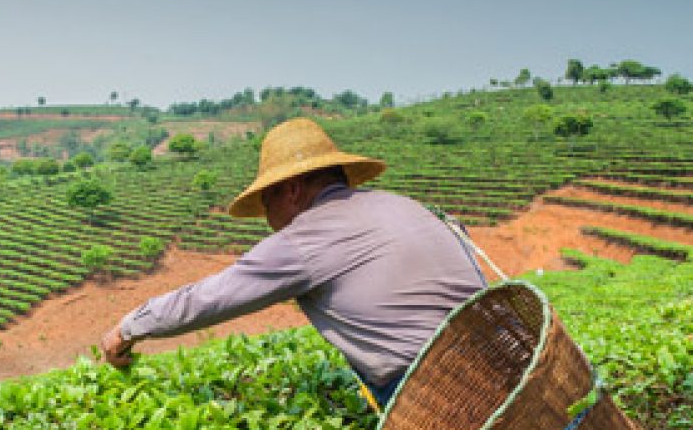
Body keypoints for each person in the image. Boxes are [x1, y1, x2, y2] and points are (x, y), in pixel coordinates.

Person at [100, 117, 488, 409]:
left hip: (437, 397)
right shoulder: (406, 205)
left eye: (265, 201)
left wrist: (130, 327)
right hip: (504, 359)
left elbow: (209, 298)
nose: (267, 216)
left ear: (292, 189)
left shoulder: (305, 238)